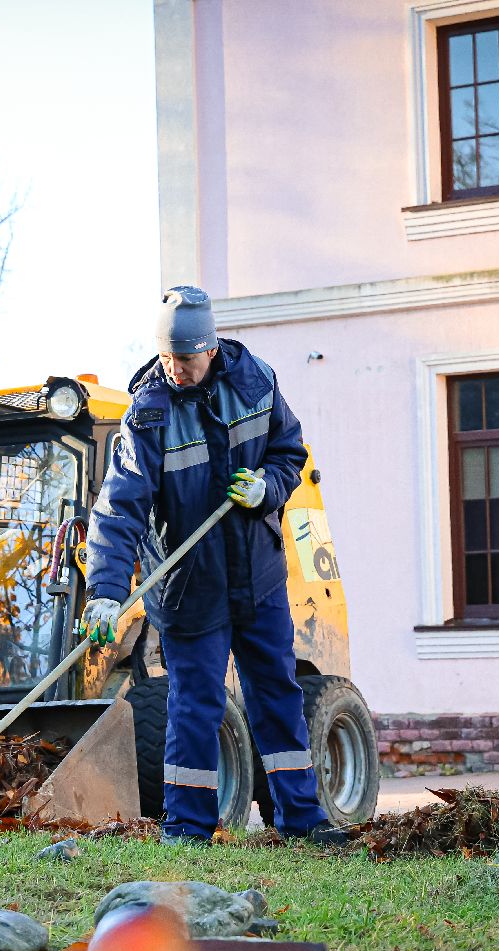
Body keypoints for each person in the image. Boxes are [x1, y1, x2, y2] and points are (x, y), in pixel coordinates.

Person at [78, 285, 340, 845]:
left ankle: (303, 820)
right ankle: (189, 828)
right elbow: (119, 509)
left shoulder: (256, 382)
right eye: (169, 358)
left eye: (188, 359)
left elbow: (289, 453)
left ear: (212, 347)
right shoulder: (147, 416)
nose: (178, 370)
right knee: (195, 707)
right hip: (189, 588)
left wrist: (267, 487)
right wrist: (104, 590)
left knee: (277, 693)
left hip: (258, 578)